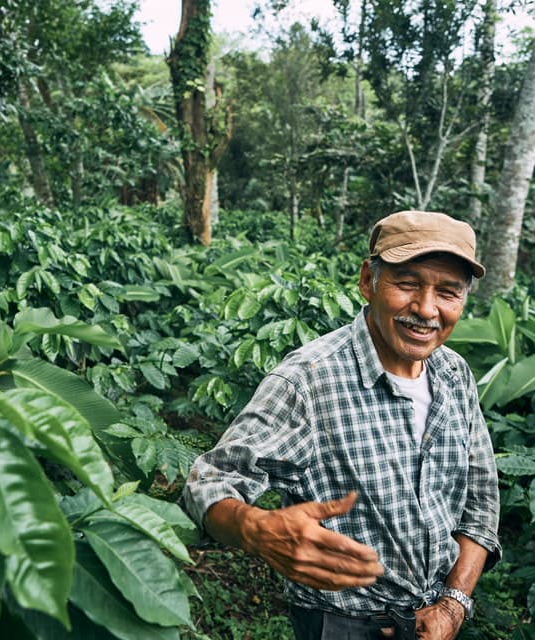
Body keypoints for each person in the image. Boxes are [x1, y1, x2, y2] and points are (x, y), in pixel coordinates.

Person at [182, 210, 501, 640]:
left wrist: (452, 606)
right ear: (368, 281)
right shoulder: (308, 380)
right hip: (341, 625)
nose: (426, 309)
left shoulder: (455, 375)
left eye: (447, 292)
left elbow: (480, 503)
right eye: (407, 284)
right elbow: (209, 481)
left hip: (435, 621)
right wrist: (255, 529)